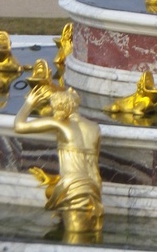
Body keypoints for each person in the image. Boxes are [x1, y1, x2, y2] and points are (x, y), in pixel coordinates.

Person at [13, 85, 103, 238]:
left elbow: (19, 126)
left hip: (74, 189)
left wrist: (29, 103)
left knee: (76, 238)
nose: (70, 89)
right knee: (91, 238)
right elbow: (93, 164)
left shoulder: (60, 125)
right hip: (95, 188)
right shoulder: (95, 128)